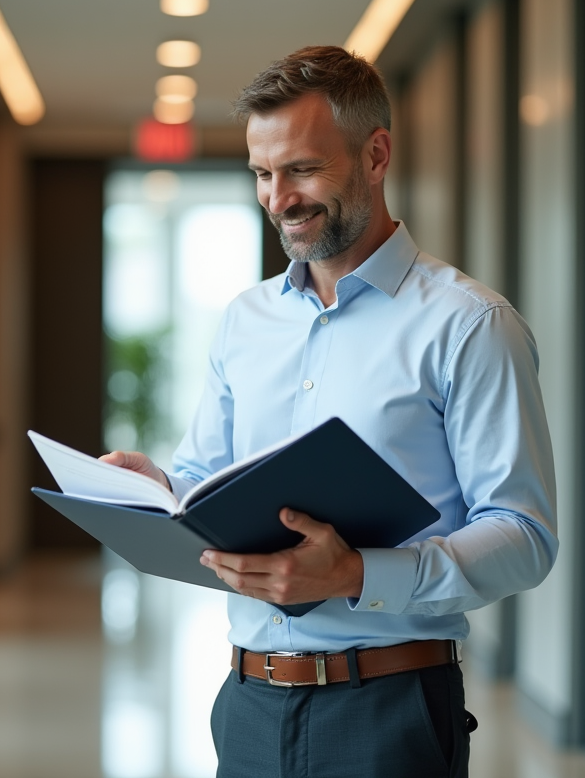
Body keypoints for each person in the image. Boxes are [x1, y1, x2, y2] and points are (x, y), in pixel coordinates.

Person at [99, 45, 557, 778]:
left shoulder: (469, 325)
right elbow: (206, 482)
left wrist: (354, 574)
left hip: (390, 709)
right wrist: (156, 491)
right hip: (246, 705)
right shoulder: (244, 320)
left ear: (376, 155)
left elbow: (523, 536)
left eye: (302, 170)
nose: (278, 199)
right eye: (261, 173)